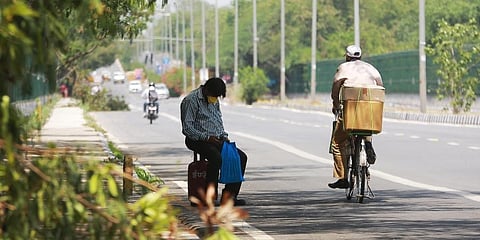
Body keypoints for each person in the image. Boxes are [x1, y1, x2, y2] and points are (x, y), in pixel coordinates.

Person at [180, 77, 248, 206]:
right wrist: (206, 138)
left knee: (240, 157)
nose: (215, 98)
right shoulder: (191, 100)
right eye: (214, 95)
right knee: (215, 158)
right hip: (196, 139)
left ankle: (230, 196)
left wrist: (223, 136)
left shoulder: (214, 100)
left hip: (216, 139)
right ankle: (208, 196)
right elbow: (187, 128)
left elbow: (217, 121)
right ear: (206, 90)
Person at [328, 45, 384, 189]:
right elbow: (380, 85)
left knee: (337, 142)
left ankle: (342, 178)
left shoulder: (343, 68)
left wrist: (335, 103)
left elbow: (336, 85)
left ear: (347, 56)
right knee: (365, 125)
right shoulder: (370, 68)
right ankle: (368, 141)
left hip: (350, 108)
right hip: (370, 108)